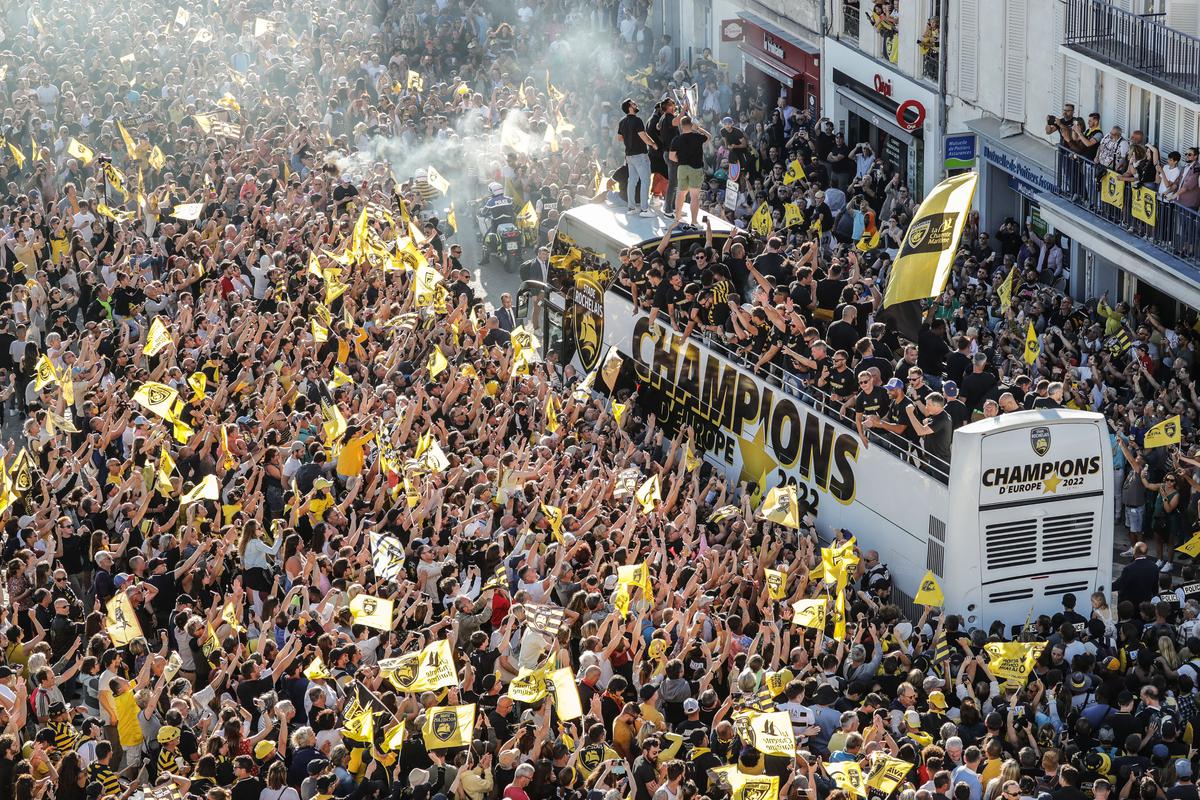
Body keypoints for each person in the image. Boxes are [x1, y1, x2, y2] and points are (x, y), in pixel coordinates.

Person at [667, 116, 712, 225]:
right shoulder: (697, 137)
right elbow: (709, 137)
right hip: (696, 169)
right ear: (691, 125)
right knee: (694, 196)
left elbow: (671, 157)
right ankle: (694, 221)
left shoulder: (676, 139)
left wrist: (681, 159)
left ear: (681, 126)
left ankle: (677, 219)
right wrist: (698, 128)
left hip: (682, 168)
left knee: (681, 193)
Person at [617, 98, 657, 217]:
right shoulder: (637, 120)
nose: (635, 104)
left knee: (632, 182)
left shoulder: (622, 122)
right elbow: (643, 137)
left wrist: (629, 139)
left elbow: (619, 138)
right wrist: (653, 144)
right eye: (633, 103)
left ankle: (631, 208)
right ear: (630, 107)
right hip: (640, 155)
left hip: (629, 155)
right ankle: (644, 210)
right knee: (645, 181)